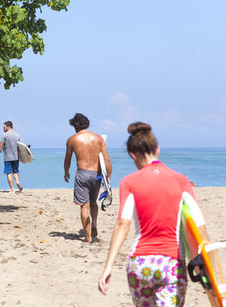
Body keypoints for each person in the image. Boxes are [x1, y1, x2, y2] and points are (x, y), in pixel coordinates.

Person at [98, 122, 211, 307]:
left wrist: (108, 267)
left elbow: (122, 224)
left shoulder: (129, 182)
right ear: (157, 149)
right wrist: (206, 265)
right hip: (171, 264)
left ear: (132, 155)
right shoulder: (181, 181)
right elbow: (199, 226)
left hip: (139, 265)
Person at [64, 113, 111, 243]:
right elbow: (107, 159)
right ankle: (94, 224)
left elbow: (67, 159)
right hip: (97, 175)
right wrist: (108, 176)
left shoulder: (72, 139)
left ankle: (88, 237)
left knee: (84, 206)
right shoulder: (98, 139)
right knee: (93, 202)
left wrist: (66, 172)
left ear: (75, 125)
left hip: (82, 174)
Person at [0, 121, 22, 193]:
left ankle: (12, 190)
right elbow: (20, 147)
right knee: (15, 172)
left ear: (8, 126)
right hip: (16, 157)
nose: (3, 128)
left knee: (8, 173)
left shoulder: (5, 135)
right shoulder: (17, 135)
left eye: (4, 127)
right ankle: (17, 181)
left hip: (7, 158)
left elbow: (0, 146)